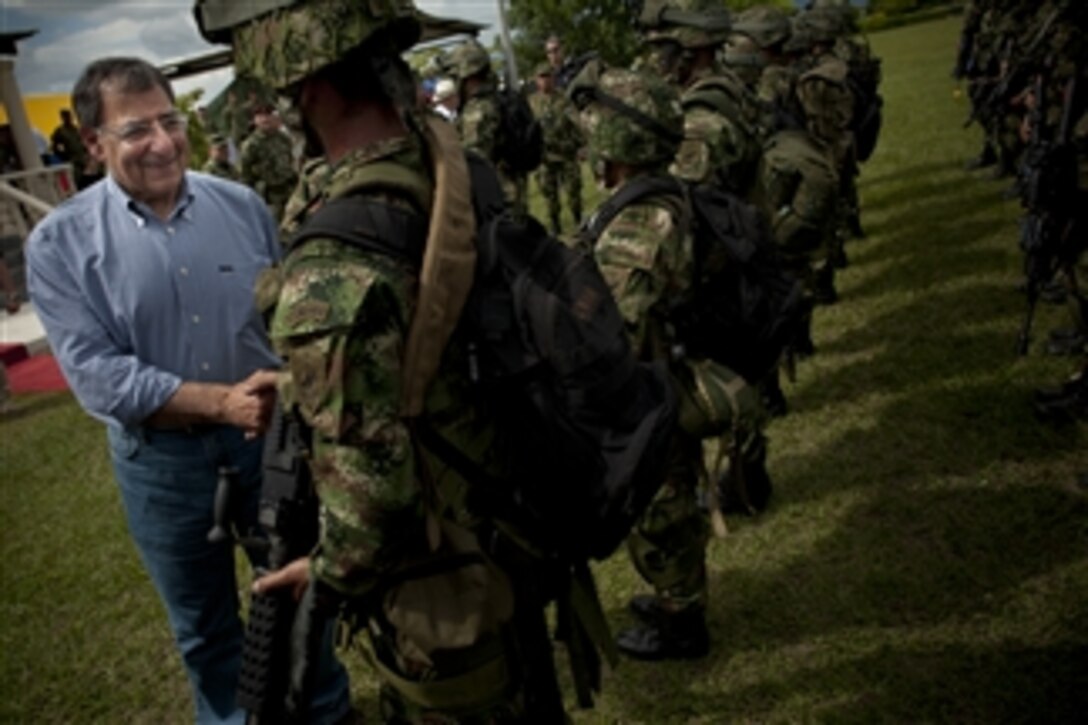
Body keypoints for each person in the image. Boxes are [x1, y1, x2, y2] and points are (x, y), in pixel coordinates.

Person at [197, 0, 563, 720]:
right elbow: (432, 328)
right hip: (499, 511)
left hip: (440, 571)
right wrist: (311, 383)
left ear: (308, 89)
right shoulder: (445, 162)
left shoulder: (333, 260)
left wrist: (328, 573)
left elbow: (373, 506)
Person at [24, 56, 350, 725]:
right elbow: (96, 373)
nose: (163, 143)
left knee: (300, 591)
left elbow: (288, 319)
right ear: (94, 144)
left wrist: (290, 387)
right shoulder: (60, 243)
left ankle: (325, 710)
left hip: (271, 447)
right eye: (136, 129)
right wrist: (220, 401)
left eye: (169, 121)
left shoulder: (241, 206)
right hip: (161, 464)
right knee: (203, 624)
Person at [570, 62, 714, 661]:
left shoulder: (640, 222)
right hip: (655, 379)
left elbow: (614, 331)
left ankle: (682, 620)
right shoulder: (649, 199)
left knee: (663, 505)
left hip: (651, 389)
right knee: (664, 499)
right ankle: (676, 596)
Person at [450, 38, 528, 215]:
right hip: (513, 189)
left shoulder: (477, 111)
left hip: (498, 198)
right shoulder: (497, 99)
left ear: (466, 76)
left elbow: (474, 163)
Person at [528, 62, 583, 235]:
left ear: (553, 78)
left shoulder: (563, 99)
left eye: (548, 76)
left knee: (573, 191)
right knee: (550, 196)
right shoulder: (532, 102)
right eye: (541, 77)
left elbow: (577, 123)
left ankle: (578, 220)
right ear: (536, 80)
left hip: (566, 154)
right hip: (545, 157)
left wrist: (581, 145)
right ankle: (555, 226)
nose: (545, 81)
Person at [239, 102, 299, 224]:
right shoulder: (250, 145)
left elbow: (291, 159)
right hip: (270, 197)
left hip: (290, 190)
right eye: (260, 116)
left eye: (268, 114)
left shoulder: (282, 138)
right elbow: (245, 177)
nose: (265, 119)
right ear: (254, 120)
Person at [50, 108, 98, 188]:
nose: (68, 118)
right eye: (65, 116)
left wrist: (88, 153)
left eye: (69, 116)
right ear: (62, 118)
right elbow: (54, 146)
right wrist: (63, 155)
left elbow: (85, 142)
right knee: (77, 182)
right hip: (73, 160)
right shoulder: (60, 131)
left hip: (84, 159)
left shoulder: (77, 129)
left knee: (90, 180)